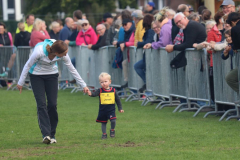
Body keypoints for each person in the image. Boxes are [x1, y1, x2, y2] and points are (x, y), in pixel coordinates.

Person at [16, 39, 89, 144]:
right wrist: (20, 82)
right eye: (64, 53)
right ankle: (46, 135)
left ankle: (52, 134)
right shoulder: (39, 52)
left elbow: (72, 69)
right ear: (56, 53)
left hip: (52, 76)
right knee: (41, 105)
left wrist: (83, 85)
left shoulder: (63, 54)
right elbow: (27, 65)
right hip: (36, 76)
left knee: (52, 104)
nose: (66, 55)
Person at [87, 72, 124, 139]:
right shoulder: (100, 90)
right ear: (99, 83)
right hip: (103, 110)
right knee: (103, 122)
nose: (103, 83)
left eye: (105, 81)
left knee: (113, 120)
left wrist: (120, 108)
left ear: (110, 82)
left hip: (111, 110)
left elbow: (117, 100)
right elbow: (94, 94)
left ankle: (112, 130)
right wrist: (90, 94)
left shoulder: (113, 90)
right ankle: (104, 134)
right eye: (101, 82)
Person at [134, 14, 154, 93]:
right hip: (147, 56)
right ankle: (147, 83)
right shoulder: (149, 31)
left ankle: (148, 84)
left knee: (138, 67)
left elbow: (148, 42)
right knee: (137, 66)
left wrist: (139, 44)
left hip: (149, 56)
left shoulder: (150, 31)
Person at [112, 19, 135, 88]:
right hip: (129, 54)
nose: (124, 27)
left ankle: (132, 85)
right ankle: (128, 82)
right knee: (124, 63)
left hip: (134, 54)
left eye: (125, 25)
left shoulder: (133, 30)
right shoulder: (130, 31)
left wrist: (124, 43)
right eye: (123, 25)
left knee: (134, 67)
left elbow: (134, 42)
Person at [224, 12, 240, 93]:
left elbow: (236, 44)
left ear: (233, 22)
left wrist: (233, 47)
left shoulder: (235, 29)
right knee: (230, 78)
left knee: (230, 78)